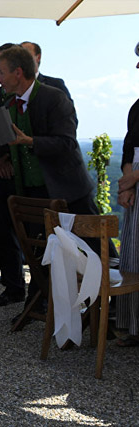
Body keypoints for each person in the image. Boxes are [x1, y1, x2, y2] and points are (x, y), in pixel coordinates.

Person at [0, 45, 105, 307]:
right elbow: (0, 146)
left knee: (98, 249)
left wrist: (29, 140)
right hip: (29, 192)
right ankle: (41, 303)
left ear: (18, 72)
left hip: (69, 190)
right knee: (41, 250)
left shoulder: (54, 97)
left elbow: (67, 143)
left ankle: (112, 306)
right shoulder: (5, 103)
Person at [114, 43, 139, 347]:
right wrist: (127, 183)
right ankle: (134, 327)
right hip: (135, 190)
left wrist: (133, 178)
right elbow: (129, 147)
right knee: (133, 258)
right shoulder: (137, 107)